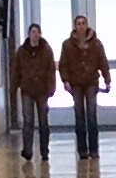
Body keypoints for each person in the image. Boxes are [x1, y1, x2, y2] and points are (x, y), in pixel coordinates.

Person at [57, 15, 110, 159]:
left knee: (91, 114)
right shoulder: (67, 45)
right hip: (76, 83)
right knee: (79, 115)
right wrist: (65, 81)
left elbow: (103, 62)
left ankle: (94, 148)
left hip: (91, 81)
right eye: (78, 24)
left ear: (87, 25)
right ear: (75, 26)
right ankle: (82, 149)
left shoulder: (96, 44)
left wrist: (107, 79)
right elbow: (63, 64)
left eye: (83, 23)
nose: (81, 26)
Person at [7, 27, 58, 160]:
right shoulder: (22, 51)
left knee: (43, 121)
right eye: (32, 32)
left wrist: (51, 88)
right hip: (27, 89)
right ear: (29, 34)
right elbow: (16, 70)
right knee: (28, 120)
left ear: (40, 34)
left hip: (42, 90)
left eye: (37, 32)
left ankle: (44, 150)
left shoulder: (46, 50)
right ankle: (28, 150)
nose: (35, 35)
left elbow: (51, 70)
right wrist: (13, 88)